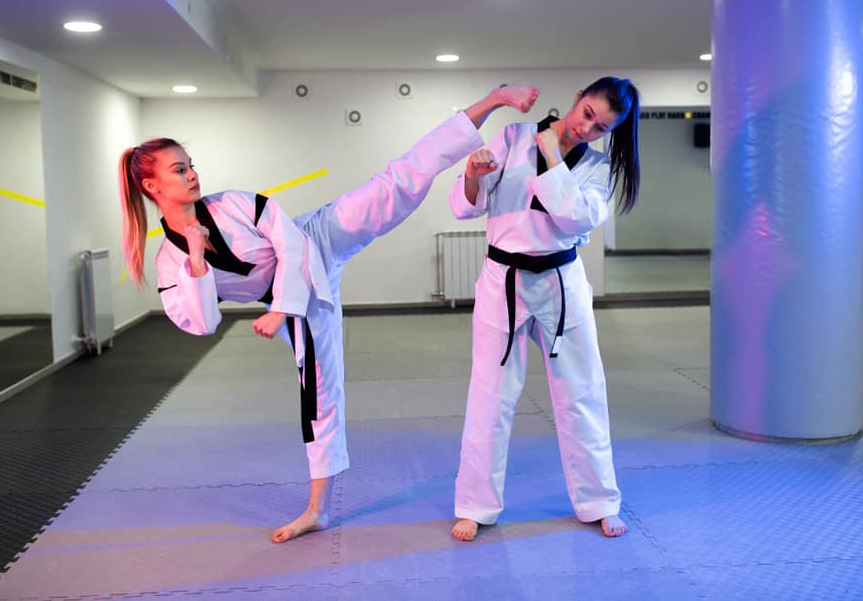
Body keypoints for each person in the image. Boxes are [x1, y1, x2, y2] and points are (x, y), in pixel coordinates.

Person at [118, 84, 540, 543]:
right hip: (303, 301)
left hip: (316, 241)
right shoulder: (169, 262)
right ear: (151, 185)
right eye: (180, 170)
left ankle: (494, 99)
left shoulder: (233, 203)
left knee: (395, 182)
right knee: (319, 393)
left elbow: (291, 243)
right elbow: (201, 323)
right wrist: (197, 259)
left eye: (191, 164)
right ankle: (317, 509)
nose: (192, 175)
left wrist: (280, 309)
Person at [448, 76, 640, 541]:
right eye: (588, 114)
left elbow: (574, 217)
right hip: (503, 281)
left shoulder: (596, 166)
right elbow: (465, 207)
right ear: (577, 99)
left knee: (583, 393)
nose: (588, 128)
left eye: (601, 128)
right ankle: (475, 505)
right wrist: (474, 174)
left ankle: (599, 500)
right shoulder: (512, 137)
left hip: (561, 283)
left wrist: (553, 151)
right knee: (490, 396)